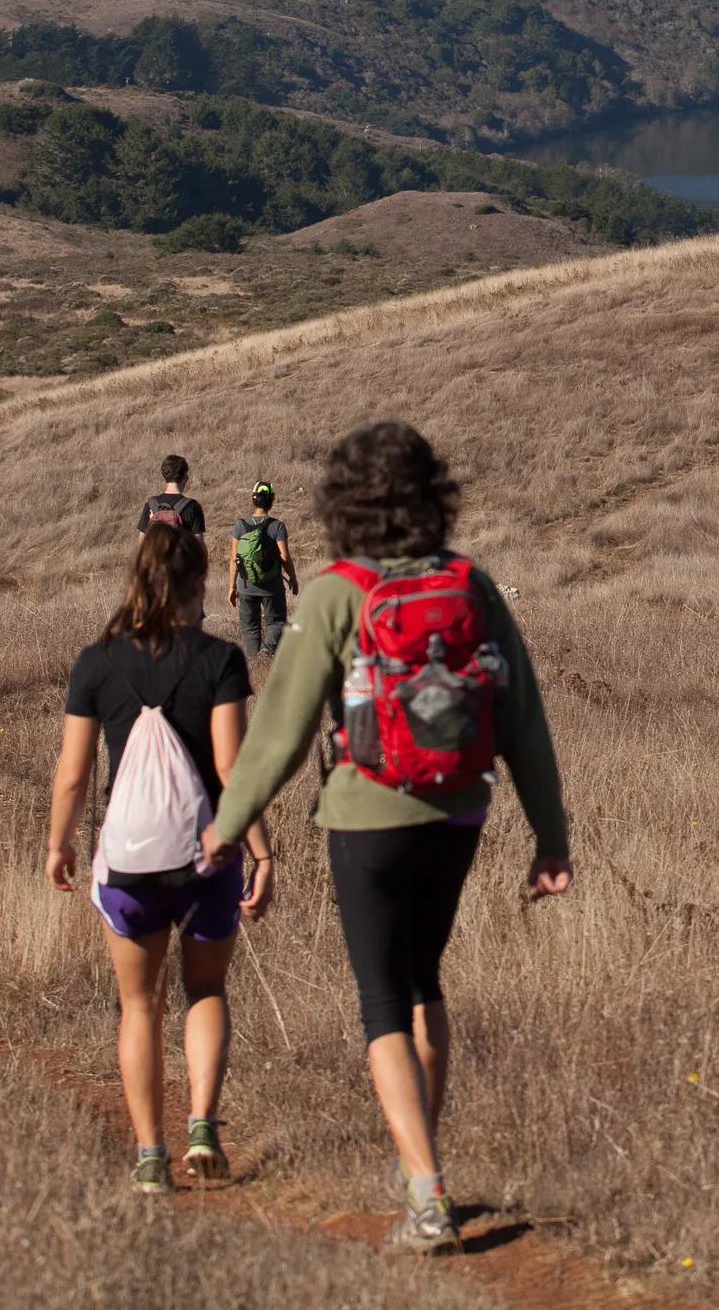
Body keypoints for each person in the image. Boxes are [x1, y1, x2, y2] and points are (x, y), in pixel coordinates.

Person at [206, 422, 570, 1256]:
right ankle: (424, 1172)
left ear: (345, 503)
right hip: (459, 809)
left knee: (381, 1001)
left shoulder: (338, 591)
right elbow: (524, 721)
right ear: (431, 491)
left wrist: (228, 829)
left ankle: (427, 1190)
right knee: (423, 982)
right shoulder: (470, 584)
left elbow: (281, 734)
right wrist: (551, 839)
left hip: (366, 812)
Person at [47, 526, 272, 1195]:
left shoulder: (97, 662)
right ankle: (203, 1126)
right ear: (200, 583)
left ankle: (151, 1155)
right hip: (208, 858)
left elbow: (72, 774)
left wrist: (58, 844)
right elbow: (233, 768)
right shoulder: (222, 659)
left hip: (129, 860)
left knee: (139, 1006)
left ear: (136, 578)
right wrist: (260, 850)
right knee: (206, 990)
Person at [227, 481, 296, 658]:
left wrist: (232, 587)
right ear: (271, 500)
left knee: (250, 628)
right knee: (277, 622)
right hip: (271, 586)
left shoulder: (240, 526)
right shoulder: (277, 526)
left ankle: (253, 661)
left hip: (245, 585)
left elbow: (234, 559)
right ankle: (266, 653)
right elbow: (285, 557)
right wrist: (293, 579)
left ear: (253, 499)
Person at [139, 454, 207, 554]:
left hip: (156, 567)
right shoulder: (192, 507)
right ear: (184, 477)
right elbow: (199, 548)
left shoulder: (150, 505)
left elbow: (141, 543)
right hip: (180, 567)